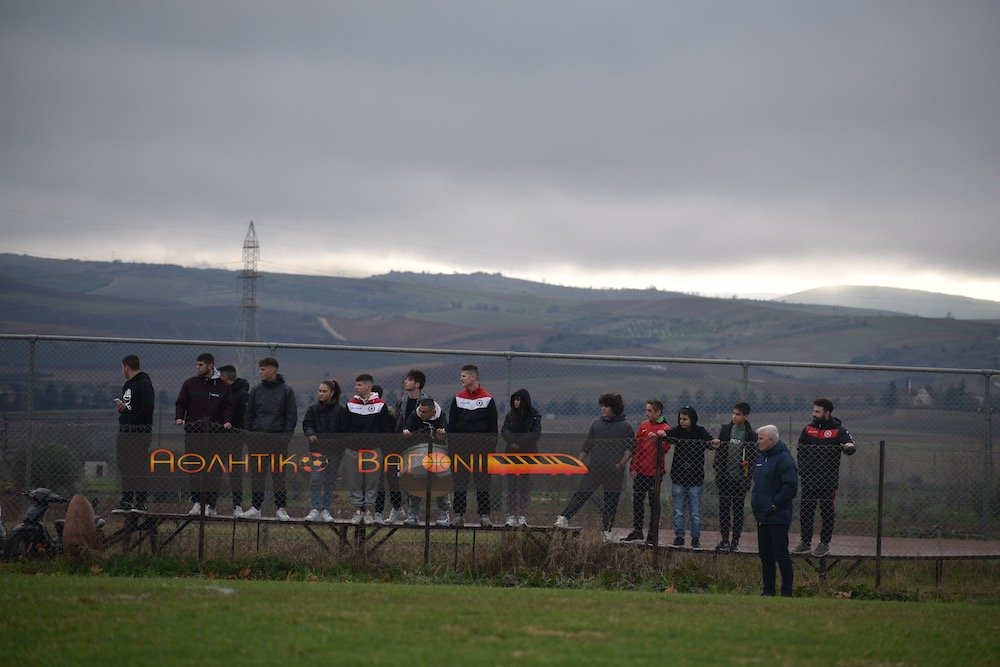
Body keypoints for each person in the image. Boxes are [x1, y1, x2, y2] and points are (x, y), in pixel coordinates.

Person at [554, 393, 634, 541]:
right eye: (602, 406)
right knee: (581, 493)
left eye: (606, 406)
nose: (603, 409)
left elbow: (629, 449)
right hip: (595, 468)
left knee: (611, 499)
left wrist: (620, 464)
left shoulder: (626, 427)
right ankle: (564, 517)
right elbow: (588, 444)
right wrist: (579, 462)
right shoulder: (596, 424)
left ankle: (607, 531)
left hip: (614, 472)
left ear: (614, 408)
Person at [792, 398, 857, 557]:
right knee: (806, 511)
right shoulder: (808, 430)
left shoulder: (838, 430)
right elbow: (800, 451)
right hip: (809, 480)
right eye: (813, 411)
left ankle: (824, 544)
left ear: (826, 413)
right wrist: (803, 472)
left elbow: (850, 445)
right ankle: (805, 542)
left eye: (817, 411)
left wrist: (848, 447)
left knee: (827, 512)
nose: (813, 414)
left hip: (828, 481)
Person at [174, 352, 233, 517]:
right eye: (197, 364)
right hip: (193, 434)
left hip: (215, 435)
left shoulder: (223, 387)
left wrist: (227, 421)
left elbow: (228, 407)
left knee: (213, 470)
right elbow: (181, 402)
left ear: (210, 365)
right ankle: (197, 502)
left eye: (201, 365)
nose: (197, 367)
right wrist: (180, 417)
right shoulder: (190, 384)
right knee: (194, 467)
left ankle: (210, 505)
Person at [240, 357, 298, 521]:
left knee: (278, 475)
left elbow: (291, 417)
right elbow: (249, 415)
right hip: (257, 441)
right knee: (257, 475)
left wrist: (284, 438)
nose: (260, 372)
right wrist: (249, 437)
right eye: (260, 369)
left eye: (263, 369)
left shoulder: (287, 391)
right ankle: (256, 507)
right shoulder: (256, 390)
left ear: (273, 370)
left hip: (277, 441)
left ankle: (280, 508)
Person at [447, 364, 498, 527]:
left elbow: (493, 428)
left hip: (481, 448)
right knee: (460, 481)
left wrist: (489, 449)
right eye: (461, 376)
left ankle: (484, 515)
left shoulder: (488, 399)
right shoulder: (458, 398)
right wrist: (452, 446)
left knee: (482, 481)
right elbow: (452, 424)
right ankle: (459, 514)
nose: (460, 378)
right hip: (460, 448)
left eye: (463, 376)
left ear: (473, 377)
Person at [340, 374, 394, 525]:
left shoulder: (380, 405)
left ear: (368, 387)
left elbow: (385, 430)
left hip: (373, 451)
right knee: (354, 482)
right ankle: (358, 511)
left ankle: (369, 511)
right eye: (355, 385)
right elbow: (344, 428)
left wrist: (376, 444)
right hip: (353, 451)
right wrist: (350, 442)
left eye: (359, 385)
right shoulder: (350, 404)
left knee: (372, 482)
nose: (355, 388)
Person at [376, 370, 429, 524]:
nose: (406, 382)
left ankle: (414, 513)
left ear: (417, 384)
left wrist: (414, 434)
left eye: (410, 380)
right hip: (399, 445)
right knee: (391, 474)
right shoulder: (402, 402)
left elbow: (429, 424)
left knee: (415, 479)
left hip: (418, 446)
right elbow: (399, 423)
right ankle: (397, 508)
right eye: (406, 379)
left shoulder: (427, 402)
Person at [751, 424, 798, 597]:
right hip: (762, 516)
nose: (758, 442)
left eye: (761, 438)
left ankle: (787, 592)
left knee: (781, 555)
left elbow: (790, 487)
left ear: (771, 440)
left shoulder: (784, 459)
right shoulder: (761, 458)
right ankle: (768, 590)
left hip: (777, 516)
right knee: (765, 555)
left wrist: (774, 505)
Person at [710, 402, 758, 553]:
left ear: (745, 416)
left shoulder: (751, 435)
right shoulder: (725, 430)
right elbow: (719, 452)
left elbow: (754, 457)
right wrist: (718, 469)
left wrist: (747, 471)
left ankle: (735, 541)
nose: (734, 417)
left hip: (740, 480)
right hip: (725, 478)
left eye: (738, 414)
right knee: (724, 509)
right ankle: (724, 539)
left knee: (738, 510)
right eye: (733, 413)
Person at [664, 406, 713, 549]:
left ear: (692, 419)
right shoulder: (677, 431)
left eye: (685, 419)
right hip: (679, 477)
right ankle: (679, 536)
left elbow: (710, 442)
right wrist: (662, 433)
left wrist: (713, 442)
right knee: (678, 510)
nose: (682, 421)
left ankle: (695, 538)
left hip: (695, 479)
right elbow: (667, 435)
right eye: (680, 419)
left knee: (695, 512)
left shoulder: (700, 431)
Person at [622, 400, 669, 545]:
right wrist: (633, 466)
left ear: (658, 412)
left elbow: (665, 448)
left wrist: (657, 440)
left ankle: (652, 533)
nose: (646, 413)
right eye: (646, 410)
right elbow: (638, 447)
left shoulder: (665, 428)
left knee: (654, 503)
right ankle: (637, 531)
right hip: (641, 471)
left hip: (655, 472)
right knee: (637, 501)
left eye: (649, 411)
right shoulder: (643, 425)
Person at [401, 397, 451, 525]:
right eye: (420, 411)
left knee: (439, 482)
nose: (421, 413)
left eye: (424, 412)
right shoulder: (415, 414)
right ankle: (413, 514)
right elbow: (407, 428)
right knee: (415, 481)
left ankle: (444, 513)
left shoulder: (441, 416)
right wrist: (407, 432)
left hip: (436, 453)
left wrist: (441, 434)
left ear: (433, 413)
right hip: (418, 452)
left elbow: (444, 431)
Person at [115, 355, 154, 512]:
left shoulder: (144, 383)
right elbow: (131, 406)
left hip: (139, 432)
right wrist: (123, 409)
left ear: (126, 366)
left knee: (138, 466)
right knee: (126, 466)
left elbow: (148, 408)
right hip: (125, 432)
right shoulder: (128, 385)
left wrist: (133, 422)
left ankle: (140, 502)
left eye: (122, 368)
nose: (122, 371)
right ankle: (127, 499)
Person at [302, 379, 344, 523]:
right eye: (319, 390)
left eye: (324, 391)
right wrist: (310, 433)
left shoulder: (340, 410)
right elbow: (307, 424)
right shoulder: (313, 409)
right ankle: (314, 509)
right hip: (317, 451)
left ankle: (326, 510)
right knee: (315, 479)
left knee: (329, 481)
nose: (320, 393)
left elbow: (344, 431)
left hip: (334, 452)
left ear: (332, 393)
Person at [500, 388, 542, 527]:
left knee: (524, 484)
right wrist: (513, 442)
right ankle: (511, 515)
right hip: (511, 454)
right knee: (511, 485)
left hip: (527, 455)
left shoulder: (534, 415)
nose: (516, 402)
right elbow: (504, 430)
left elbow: (535, 433)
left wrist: (520, 442)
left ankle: (522, 514)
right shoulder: (510, 415)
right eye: (515, 400)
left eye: (518, 400)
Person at [218, 364, 250, 517]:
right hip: (218, 438)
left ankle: (237, 506)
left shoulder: (242, 395)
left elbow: (244, 418)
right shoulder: (218, 391)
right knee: (214, 471)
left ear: (225, 376)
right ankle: (210, 504)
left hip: (235, 439)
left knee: (235, 472)